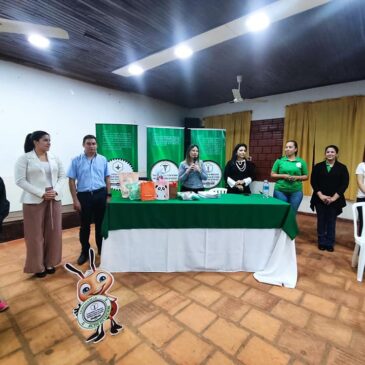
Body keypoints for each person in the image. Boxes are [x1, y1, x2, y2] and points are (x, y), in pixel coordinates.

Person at [15, 131, 66, 277]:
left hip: (54, 199)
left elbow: (62, 176)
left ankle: (50, 262)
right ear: (35, 142)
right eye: (45, 140)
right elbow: (20, 180)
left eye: (50, 140)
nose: (49, 143)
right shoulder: (24, 159)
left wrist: (55, 191)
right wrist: (41, 193)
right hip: (33, 200)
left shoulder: (55, 157)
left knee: (54, 233)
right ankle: (38, 266)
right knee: (34, 236)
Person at [67, 135, 111, 265]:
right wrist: (75, 200)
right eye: (88, 144)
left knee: (100, 225)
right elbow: (71, 180)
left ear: (96, 145)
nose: (91, 146)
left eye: (93, 143)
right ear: (83, 145)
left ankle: (102, 250)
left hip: (100, 195)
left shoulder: (103, 159)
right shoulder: (76, 160)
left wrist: (108, 195)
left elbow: (107, 178)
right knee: (85, 226)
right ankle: (84, 252)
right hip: (84, 196)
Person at [310, 145, 349, 252]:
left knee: (331, 221)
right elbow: (314, 182)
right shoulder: (318, 166)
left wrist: (333, 198)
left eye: (332, 152)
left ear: (336, 154)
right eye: (328, 152)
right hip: (319, 199)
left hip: (335, 200)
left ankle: (330, 242)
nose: (330, 154)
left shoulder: (342, 167)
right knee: (321, 220)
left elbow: (344, 184)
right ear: (325, 154)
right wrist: (321, 196)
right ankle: (321, 241)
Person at [271, 140, 308, 212]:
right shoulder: (279, 160)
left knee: (291, 214)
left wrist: (296, 177)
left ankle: (290, 223)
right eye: (286, 147)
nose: (287, 149)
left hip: (296, 192)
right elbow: (272, 174)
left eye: (290, 147)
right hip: (280, 191)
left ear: (295, 149)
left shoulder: (301, 161)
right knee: (281, 212)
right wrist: (284, 176)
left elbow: (306, 176)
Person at [355, 159, 365, 235]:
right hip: (363, 197)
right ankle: (360, 245)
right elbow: (360, 183)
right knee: (363, 221)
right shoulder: (362, 165)